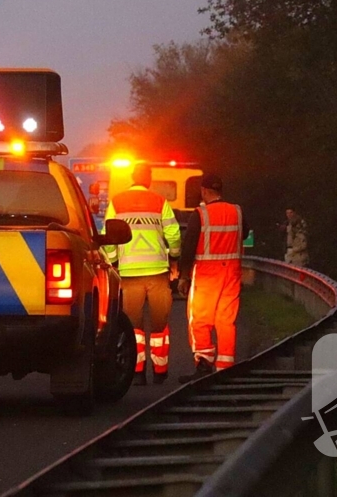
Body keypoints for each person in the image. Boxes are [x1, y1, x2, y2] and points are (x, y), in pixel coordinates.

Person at [102, 163, 181, 385]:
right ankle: (160, 371)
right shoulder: (159, 201)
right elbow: (173, 233)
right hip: (157, 272)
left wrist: (114, 261)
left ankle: (137, 372)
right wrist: (174, 258)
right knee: (159, 324)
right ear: (149, 178)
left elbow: (108, 234)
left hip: (129, 274)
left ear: (132, 177)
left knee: (133, 326)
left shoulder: (117, 202)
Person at [177, 174, 249, 382]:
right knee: (226, 320)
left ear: (204, 191)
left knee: (200, 319)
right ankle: (225, 367)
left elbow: (189, 246)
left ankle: (204, 363)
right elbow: (244, 234)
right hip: (232, 273)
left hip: (207, 274)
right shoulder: (237, 211)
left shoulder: (200, 214)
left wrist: (183, 275)